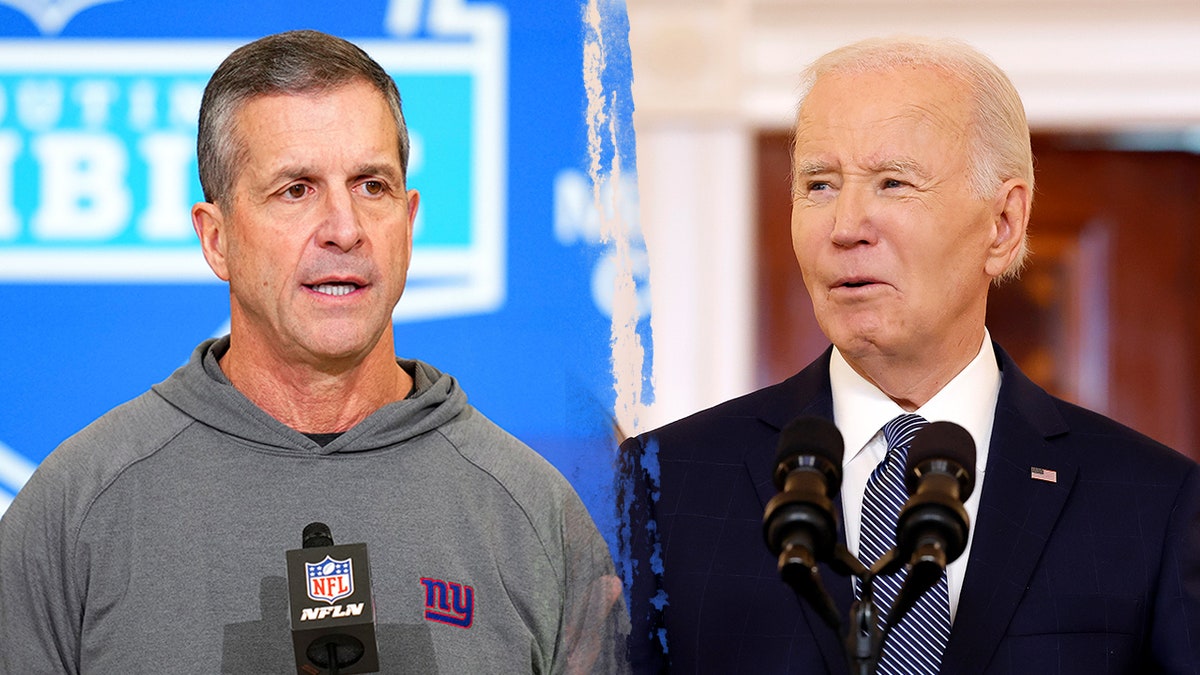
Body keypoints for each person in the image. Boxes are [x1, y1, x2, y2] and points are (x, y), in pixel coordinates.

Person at [0, 30, 626, 673]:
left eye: (370, 186)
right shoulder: (75, 511)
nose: (345, 229)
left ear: (408, 224)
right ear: (216, 239)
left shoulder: (536, 516)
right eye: (296, 189)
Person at [620, 36, 1200, 674]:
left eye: (893, 183)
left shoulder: (1154, 502)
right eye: (818, 184)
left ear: (1003, 226)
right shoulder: (663, 484)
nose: (844, 227)